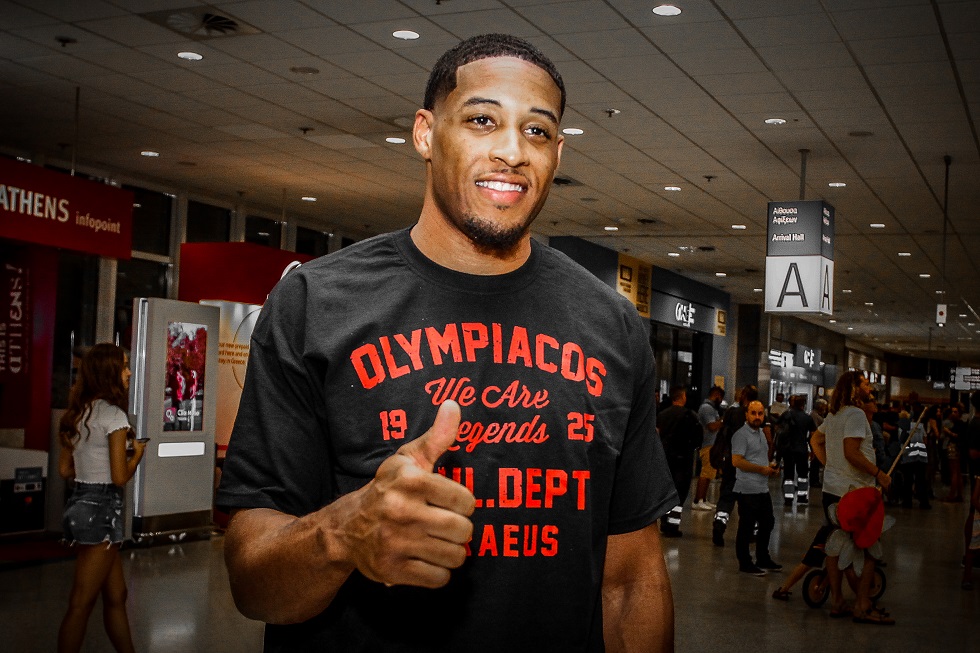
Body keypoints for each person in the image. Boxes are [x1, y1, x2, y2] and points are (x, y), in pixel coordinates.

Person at [216, 33, 677, 652]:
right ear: (426, 134)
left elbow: (630, 580)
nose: (512, 151)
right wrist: (345, 532)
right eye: (482, 120)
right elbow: (252, 585)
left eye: (537, 131)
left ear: (558, 153)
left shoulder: (612, 325)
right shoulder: (315, 304)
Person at [57, 343, 147, 653]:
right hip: (103, 510)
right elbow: (120, 477)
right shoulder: (114, 416)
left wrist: (92, 463)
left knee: (116, 595)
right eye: (124, 366)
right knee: (80, 603)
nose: (129, 372)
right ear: (109, 372)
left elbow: (65, 469)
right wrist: (137, 455)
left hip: (79, 504)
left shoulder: (78, 412)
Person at [811, 371, 893, 625]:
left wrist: (830, 466)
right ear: (855, 389)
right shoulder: (856, 414)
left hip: (832, 490)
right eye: (865, 384)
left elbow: (815, 440)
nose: (870, 387)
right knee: (868, 548)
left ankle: (837, 601)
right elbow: (851, 452)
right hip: (855, 491)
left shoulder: (835, 415)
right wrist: (879, 474)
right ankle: (862, 605)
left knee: (834, 547)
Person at [731, 400, 782, 576]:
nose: (757, 417)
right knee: (746, 526)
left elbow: (758, 458)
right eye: (753, 413)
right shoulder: (741, 435)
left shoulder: (761, 433)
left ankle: (763, 557)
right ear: (747, 415)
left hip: (762, 488)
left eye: (760, 413)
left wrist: (769, 467)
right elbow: (737, 461)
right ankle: (745, 562)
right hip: (746, 489)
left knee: (768, 522)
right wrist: (761, 469)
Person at [710, 384, 760, 547]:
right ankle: (750, 532)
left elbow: (723, 434)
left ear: (743, 395)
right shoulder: (758, 415)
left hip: (732, 460)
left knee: (727, 496)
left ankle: (720, 523)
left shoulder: (732, 412)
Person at [657, 386, 703, 537]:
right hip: (683, 458)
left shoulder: (662, 414)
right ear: (683, 397)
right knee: (680, 492)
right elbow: (697, 438)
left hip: (665, 457)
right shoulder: (689, 415)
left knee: (666, 490)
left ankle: (664, 521)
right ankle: (673, 525)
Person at [778, 395, 816, 507]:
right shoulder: (807, 418)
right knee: (803, 475)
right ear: (804, 405)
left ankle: (788, 498)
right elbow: (813, 436)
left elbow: (778, 429)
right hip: (802, 449)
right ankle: (802, 497)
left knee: (788, 475)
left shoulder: (786, 414)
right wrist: (813, 450)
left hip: (788, 449)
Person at [693, 385, 724, 510]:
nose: (721, 401)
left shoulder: (712, 408)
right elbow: (711, 426)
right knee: (705, 473)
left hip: (713, 444)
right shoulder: (707, 408)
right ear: (716, 395)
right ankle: (698, 500)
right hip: (708, 444)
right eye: (720, 397)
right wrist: (723, 422)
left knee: (710, 473)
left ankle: (703, 499)